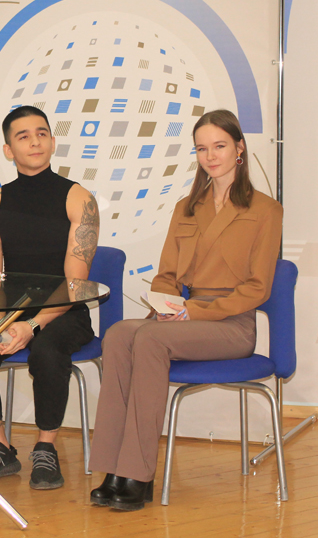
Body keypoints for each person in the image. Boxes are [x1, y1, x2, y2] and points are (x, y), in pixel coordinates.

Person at [88, 109, 283, 511]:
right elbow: (167, 275)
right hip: (182, 317)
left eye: (219, 146)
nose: (211, 156)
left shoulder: (266, 210)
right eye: (202, 149)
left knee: (151, 340)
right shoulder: (187, 207)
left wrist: (194, 312)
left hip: (231, 323)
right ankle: (113, 468)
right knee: (120, 333)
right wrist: (165, 305)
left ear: (239, 148)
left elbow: (258, 287)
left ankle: (139, 473)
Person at [0, 105, 99, 490]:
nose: (35, 142)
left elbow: (76, 284)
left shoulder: (79, 199)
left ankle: (46, 447)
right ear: (8, 150)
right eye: (23, 136)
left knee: (47, 352)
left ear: (52, 141)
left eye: (41, 133)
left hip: (64, 311)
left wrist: (32, 325)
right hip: (9, 310)